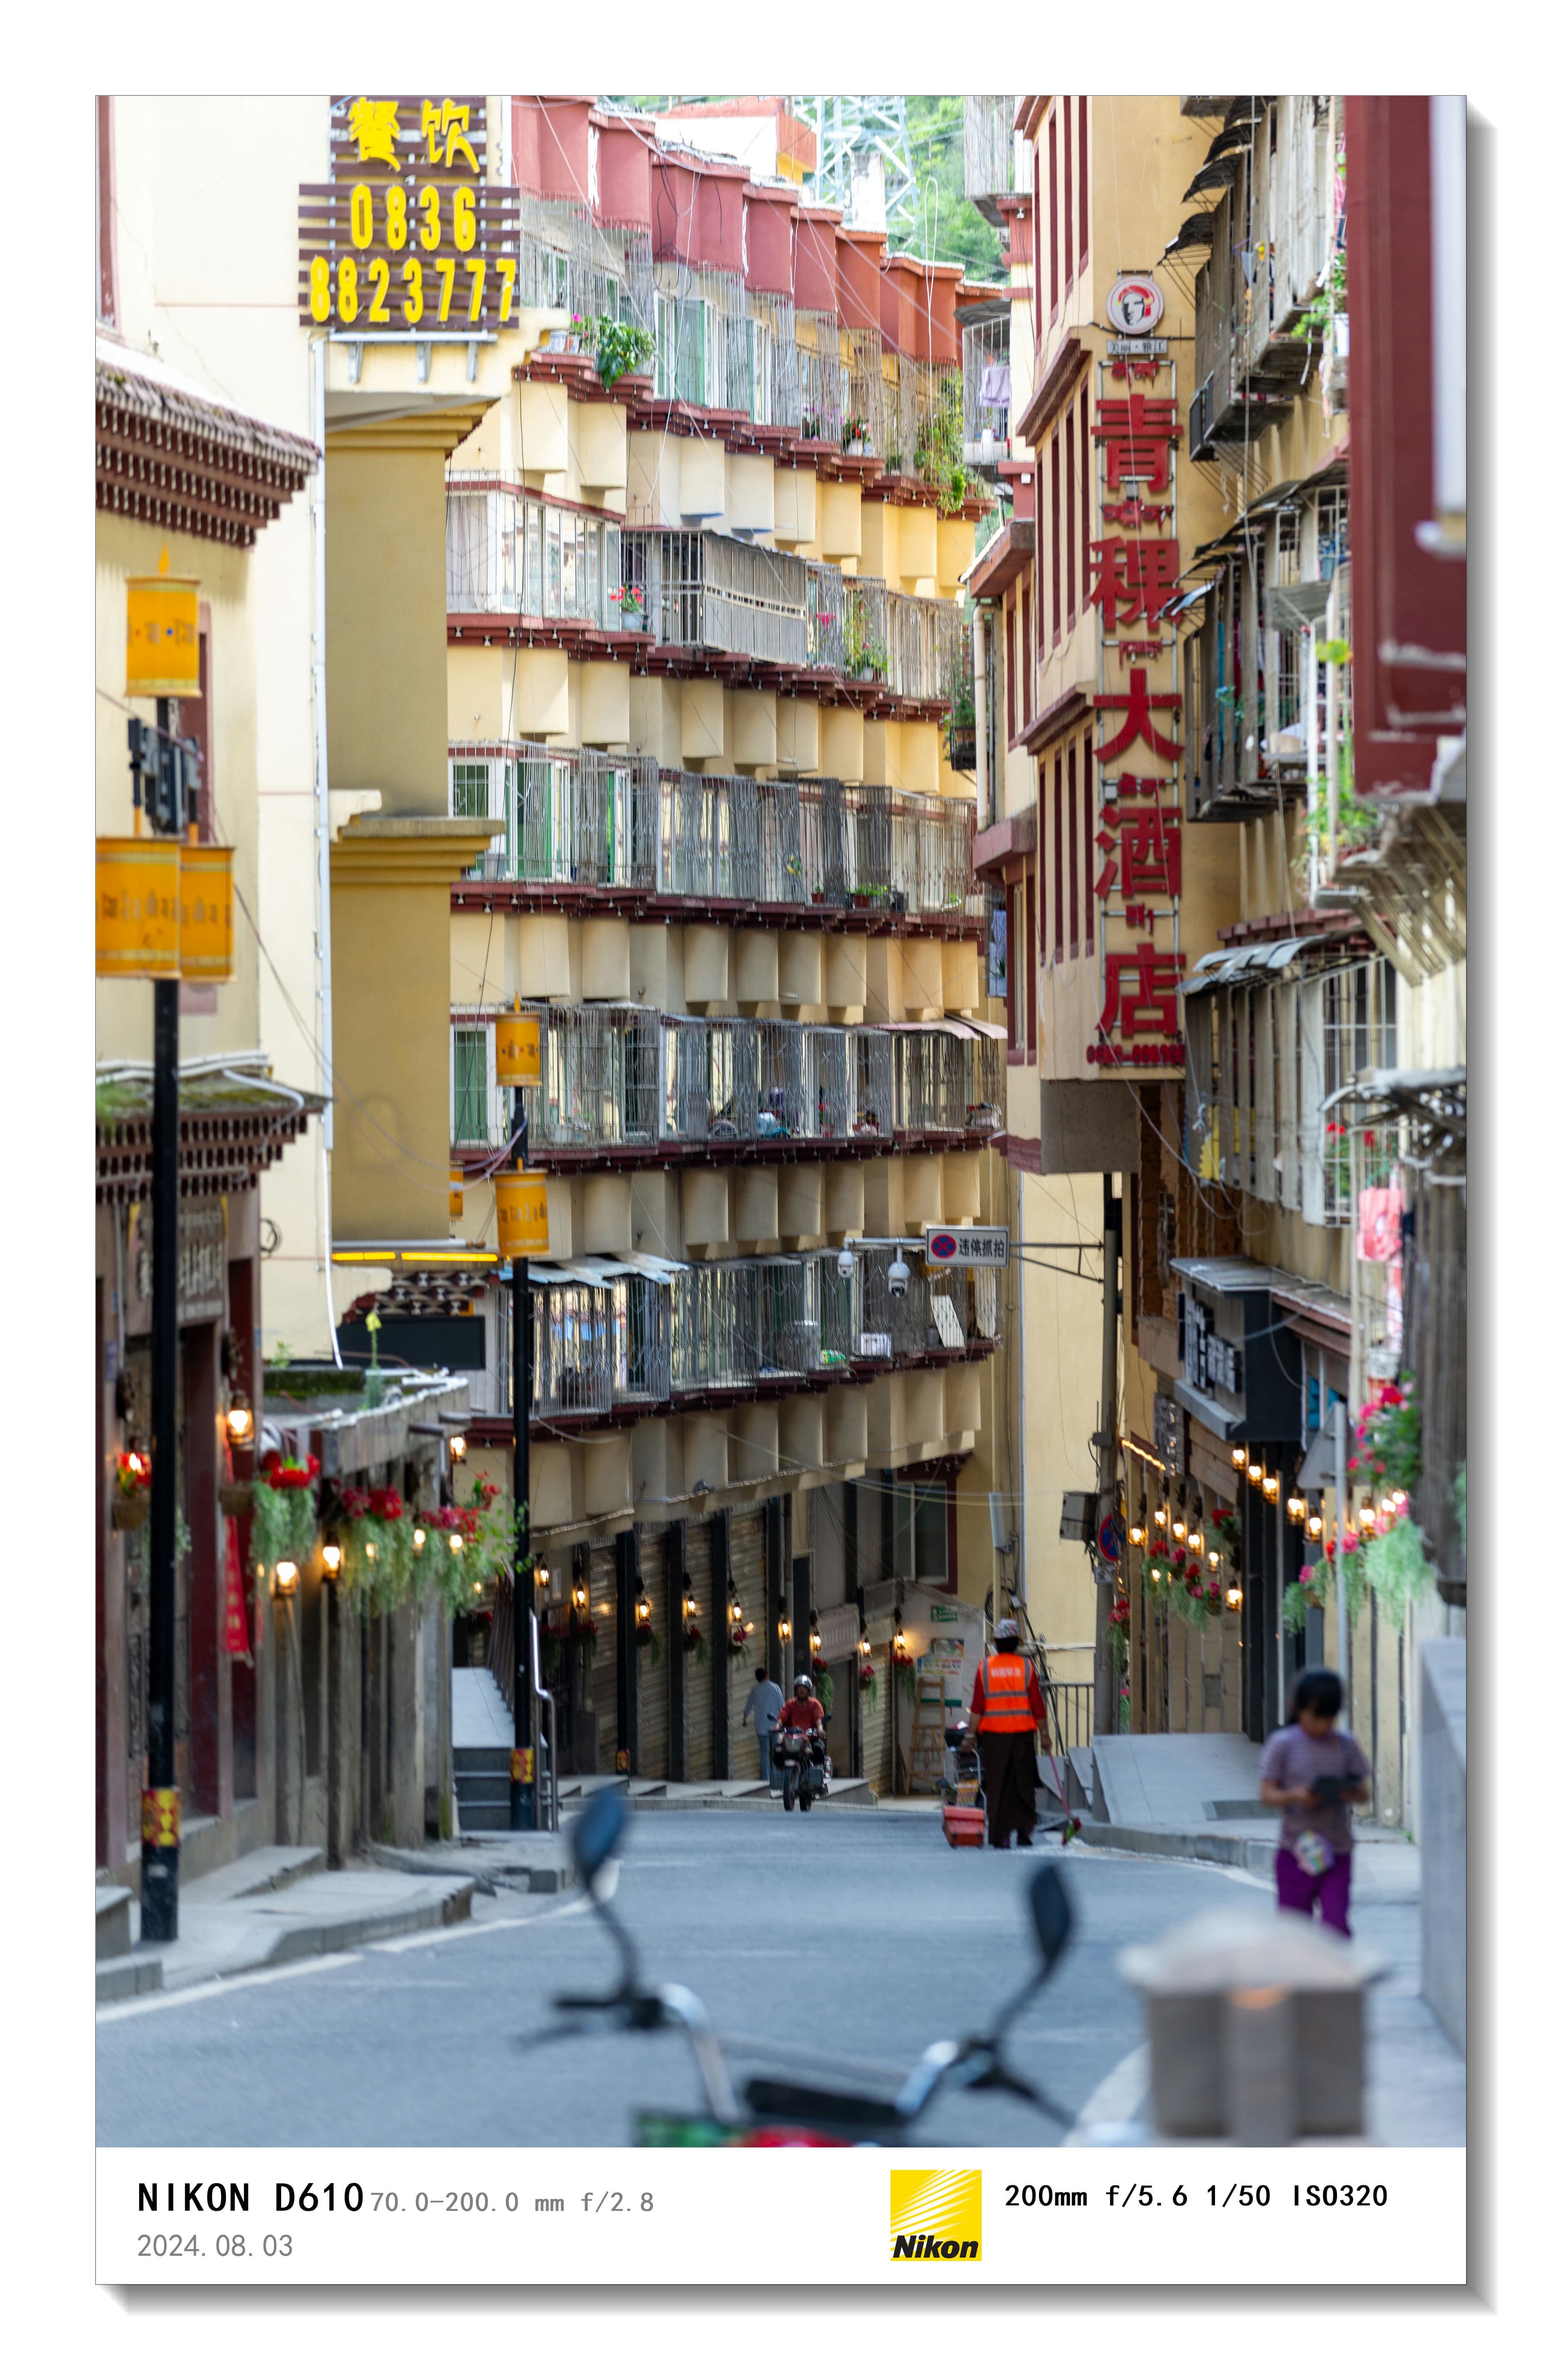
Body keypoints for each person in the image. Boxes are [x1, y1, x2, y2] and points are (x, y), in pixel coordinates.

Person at [1258, 1667, 1371, 1938]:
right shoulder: (1282, 1744)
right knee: (1295, 1935)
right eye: (1316, 1717)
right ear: (1298, 1707)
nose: (1322, 1726)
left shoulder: (1346, 1745)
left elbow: (1363, 1793)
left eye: (1329, 1719)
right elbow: (1266, 1794)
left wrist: (1343, 1793)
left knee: (1336, 1929)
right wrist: (1294, 1796)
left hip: (1337, 1853)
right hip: (1295, 1853)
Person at [967, 1617, 1052, 1848]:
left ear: (996, 1643)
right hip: (1022, 1738)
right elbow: (1038, 1706)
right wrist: (1045, 1735)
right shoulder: (1027, 1668)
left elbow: (977, 1707)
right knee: (1023, 1785)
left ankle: (1001, 1835)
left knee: (998, 1787)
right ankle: (1024, 1833)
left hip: (994, 1739)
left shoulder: (985, 1669)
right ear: (1017, 1644)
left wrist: (970, 1736)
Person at [742, 1665, 785, 1783]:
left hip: (761, 1725)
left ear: (757, 1678)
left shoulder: (755, 1690)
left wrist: (745, 1719)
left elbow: (748, 1706)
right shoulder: (775, 1688)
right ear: (767, 1675)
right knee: (777, 1751)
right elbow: (783, 1706)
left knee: (764, 1752)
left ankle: (766, 1779)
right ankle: (775, 1776)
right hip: (775, 1725)